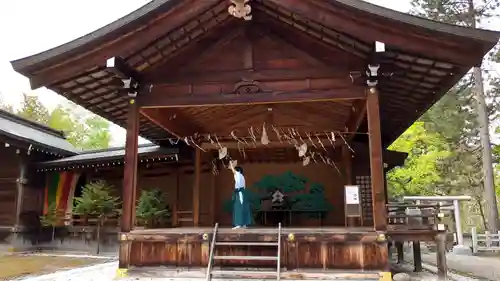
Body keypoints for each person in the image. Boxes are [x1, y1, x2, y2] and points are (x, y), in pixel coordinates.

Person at [229, 162, 252, 229]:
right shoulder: (242, 176)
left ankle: (239, 224)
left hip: (240, 193)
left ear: (238, 171)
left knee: (238, 208)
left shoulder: (238, 174)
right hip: (242, 193)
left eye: (235, 170)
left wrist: (231, 164)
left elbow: (233, 171)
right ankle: (244, 224)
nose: (234, 171)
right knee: (243, 207)